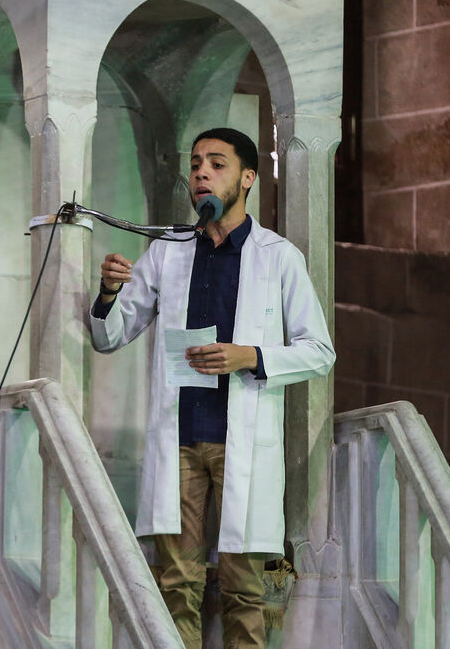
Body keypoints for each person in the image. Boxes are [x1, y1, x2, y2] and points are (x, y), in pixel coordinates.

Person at [88, 127, 335, 649]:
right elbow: (109, 335)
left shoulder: (278, 256)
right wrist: (109, 293)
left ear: (247, 178)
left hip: (242, 438)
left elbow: (320, 351)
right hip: (178, 437)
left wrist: (252, 356)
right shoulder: (168, 252)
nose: (201, 172)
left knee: (251, 588)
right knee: (176, 583)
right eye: (196, 163)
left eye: (217, 164)